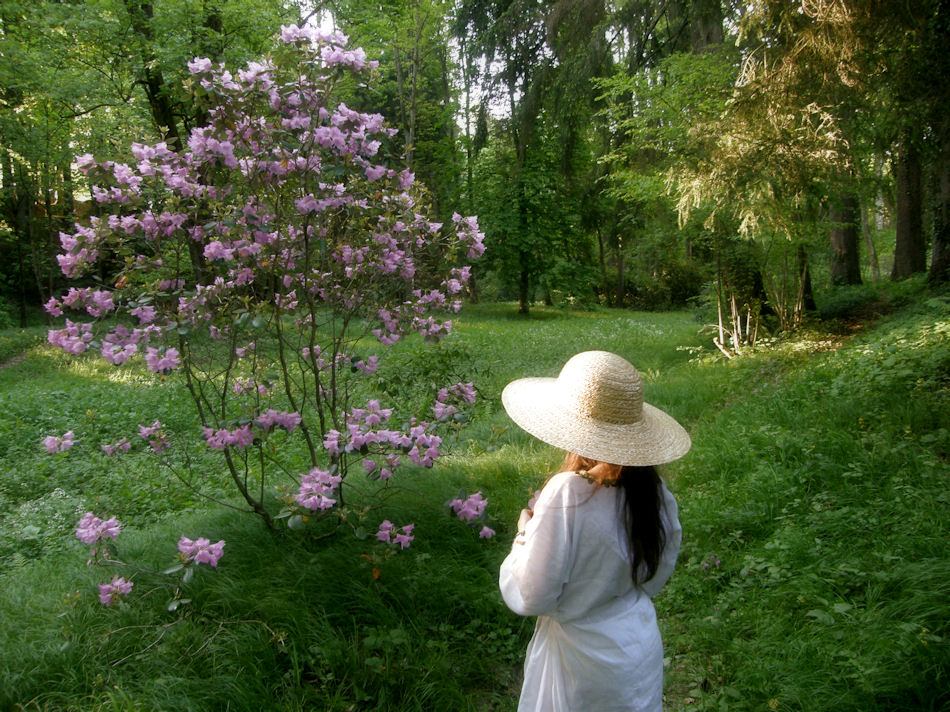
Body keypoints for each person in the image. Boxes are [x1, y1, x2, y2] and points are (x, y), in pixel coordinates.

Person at [499, 350, 691, 712]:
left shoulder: (568, 493)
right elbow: (652, 579)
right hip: (635, 647)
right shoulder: (656, 494)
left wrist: (525, 534)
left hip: (580, 665)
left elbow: (532, 594)